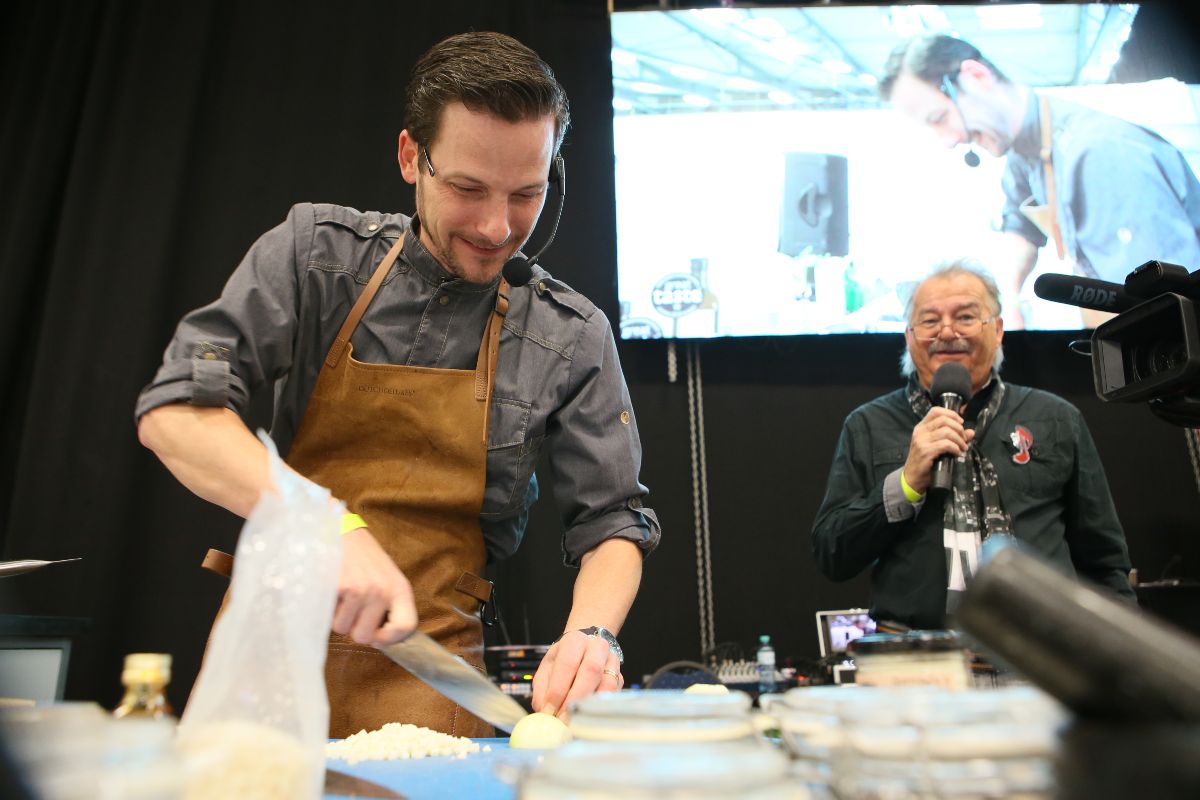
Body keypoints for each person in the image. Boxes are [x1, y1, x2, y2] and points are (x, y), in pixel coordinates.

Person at [135, 31, 659, 738]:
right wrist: (320, 523)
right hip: (265, 672)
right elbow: (175, 414)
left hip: (433, 687)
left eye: (526, 194)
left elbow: (612, 523)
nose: (497, 226)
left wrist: (594, 634)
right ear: (412, 156)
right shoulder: (314, 257)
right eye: (469, 189)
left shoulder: (571, 334)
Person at [811, 261, 1134, 630]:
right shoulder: (868, 425)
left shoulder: (1056, 418)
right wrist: (906, 483)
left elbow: (1104, 561)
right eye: (930, 321)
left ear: (997, 330)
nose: (947, 332)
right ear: (909, 336)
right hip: (917, 663)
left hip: (1039, 658)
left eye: (965, 317)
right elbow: (832, 554)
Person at [880, 33, 1200, 328]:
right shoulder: (1025, 152)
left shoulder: (1099, 153)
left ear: (976, 77)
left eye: (940, 119)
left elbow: (1167, 304)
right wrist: (1005, 299)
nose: (948, 141)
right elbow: (1020, 230)